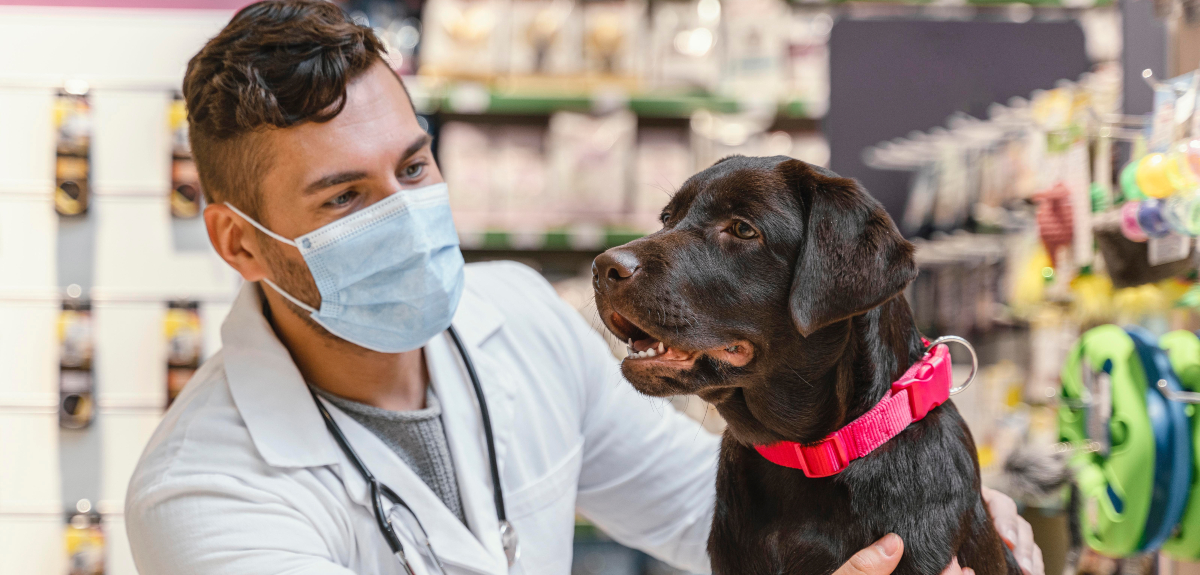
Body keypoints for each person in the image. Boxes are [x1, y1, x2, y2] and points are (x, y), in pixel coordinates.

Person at [123, 2, 1044, 574]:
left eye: (413, 167)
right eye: (345, 197)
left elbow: (703, 503)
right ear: (240, 243)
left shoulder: (516, 316)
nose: (403, 214)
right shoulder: (206, 495)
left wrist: (955, 526)